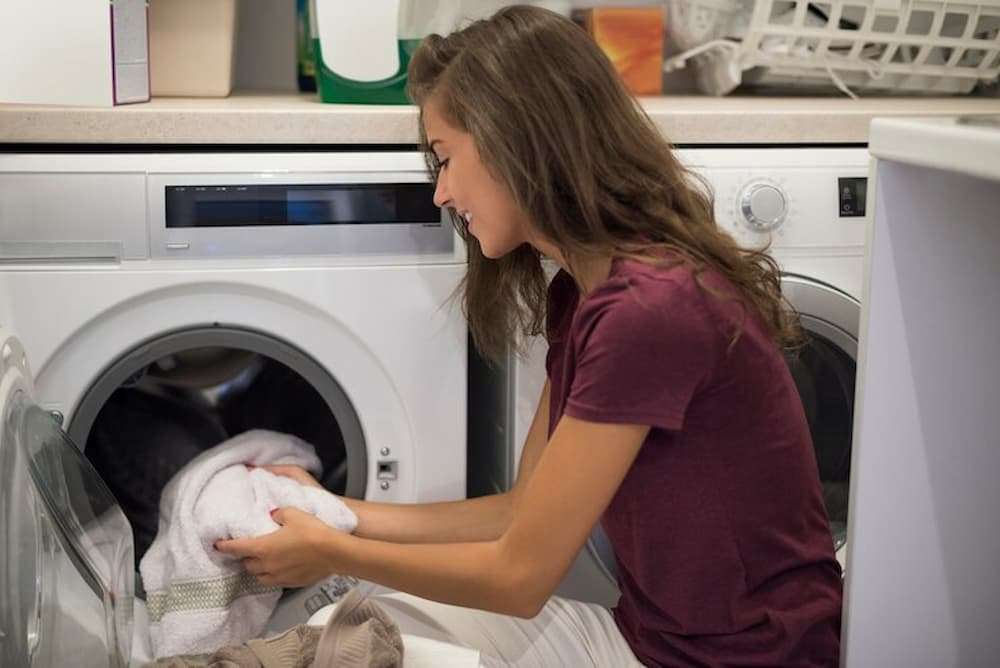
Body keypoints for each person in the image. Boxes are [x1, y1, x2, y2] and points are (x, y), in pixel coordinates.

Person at [216, 5, 843, 666]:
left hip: (745, 660)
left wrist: (331, 550)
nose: (442, 192)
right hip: (650, 643)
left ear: (515, 138)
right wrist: (338, 511)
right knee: (361, 619)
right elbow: (518, 513)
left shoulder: (650, 312)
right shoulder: (583, 292)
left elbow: (520, 579)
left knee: (363, 631)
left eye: (446, 158)